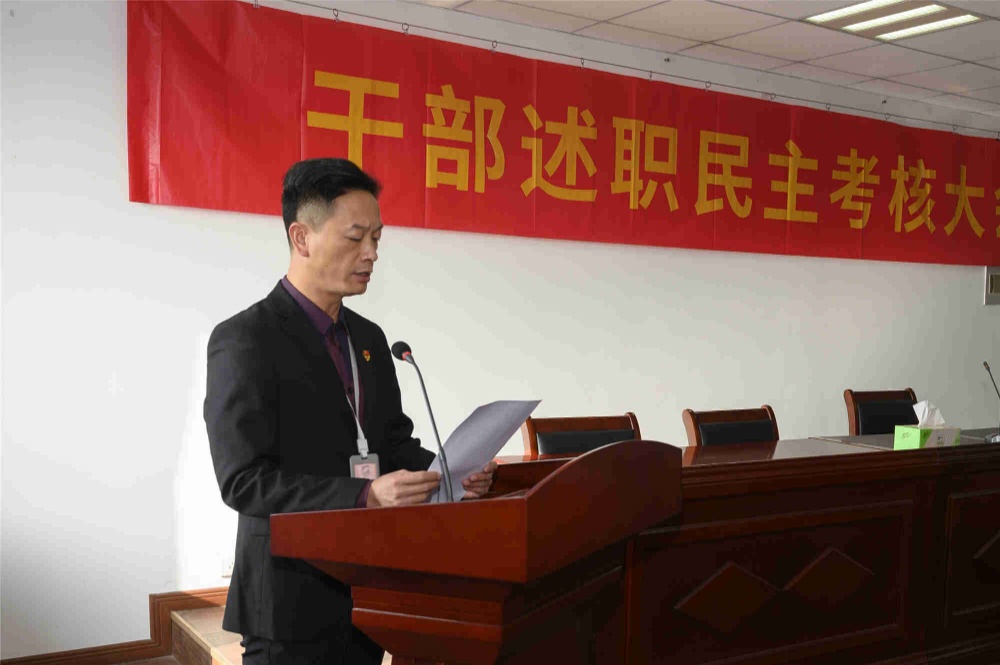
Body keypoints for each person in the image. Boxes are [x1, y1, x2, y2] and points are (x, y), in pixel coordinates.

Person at [205, 157, 497, 665]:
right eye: (355, 237)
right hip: (288, 598)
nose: (371, 254)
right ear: (302, 237)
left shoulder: (368, 338)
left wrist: (453, 472)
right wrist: (364, 494)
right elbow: (244, 481)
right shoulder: (245, 340)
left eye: (377, 238)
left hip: (367, 590)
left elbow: (393, 443)